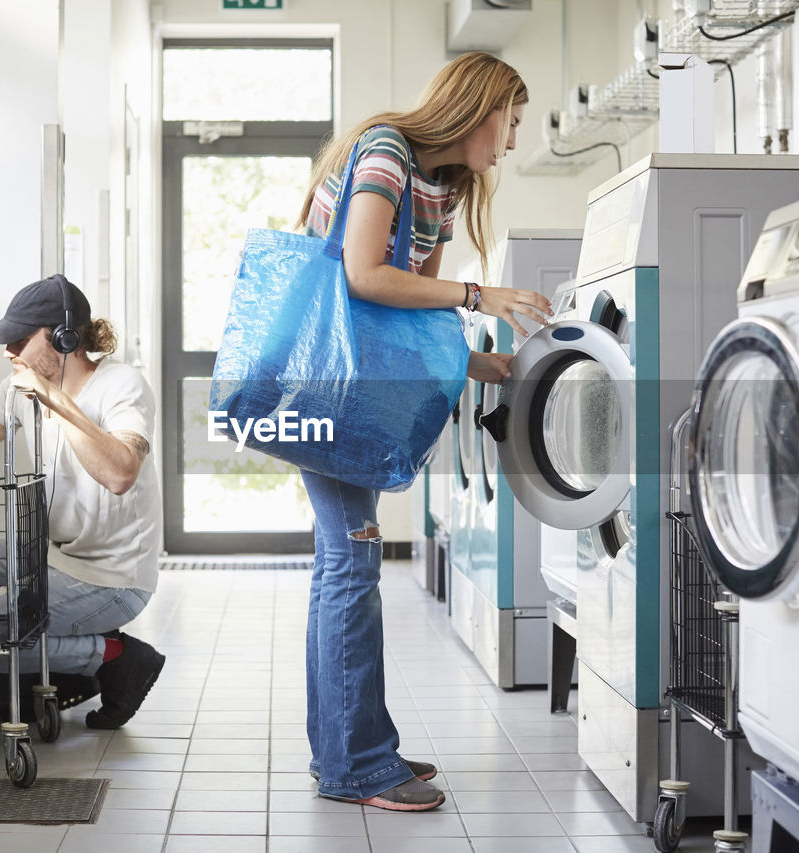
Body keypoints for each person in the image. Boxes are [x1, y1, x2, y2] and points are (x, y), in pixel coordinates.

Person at [293, 52, 552, 811]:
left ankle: (344, 746)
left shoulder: (438, 188)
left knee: (341, 563)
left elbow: (415, 315)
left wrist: (479, 365)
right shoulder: (386, 155)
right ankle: (359, 766)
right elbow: (362, 274)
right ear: (477, 110)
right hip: (325, 383)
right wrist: (483, 292)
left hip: (353, 389)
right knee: (352, 564)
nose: (511, 141)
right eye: (511, 120)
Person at [0, 274, 165, 730]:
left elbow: (120, 472)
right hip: (52, 559)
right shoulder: (17, 390)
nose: (9, 352)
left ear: (63, 339)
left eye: (20, 340)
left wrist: (55, 399)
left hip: (114, 578)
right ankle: (58, 664)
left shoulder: (123, 386)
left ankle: (115, 655)